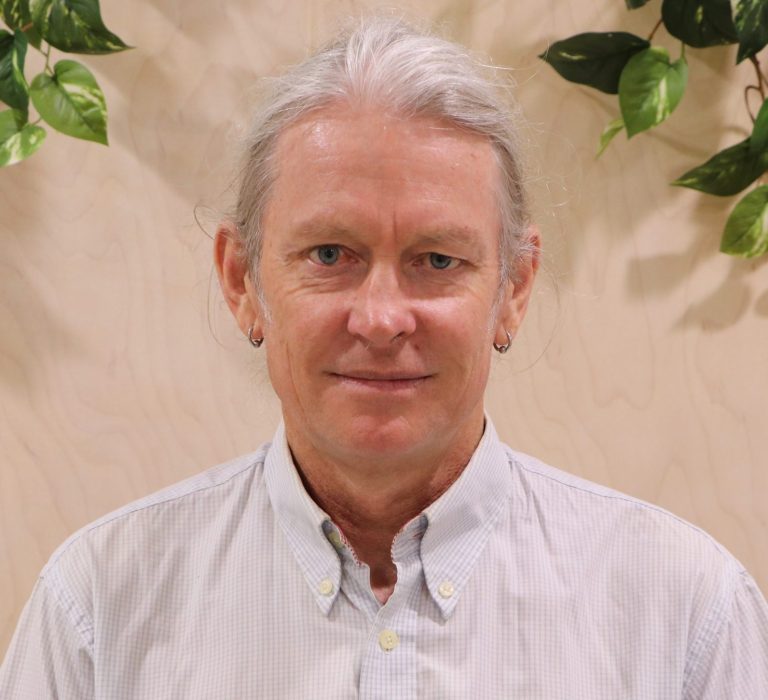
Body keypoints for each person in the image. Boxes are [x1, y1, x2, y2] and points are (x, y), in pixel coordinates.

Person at [2, 15, 767, 699]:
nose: (380, 318)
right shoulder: (99, 609)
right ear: (242, 281)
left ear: (514, 288)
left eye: (437, 260)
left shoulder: (686, 616)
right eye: (330, 253)